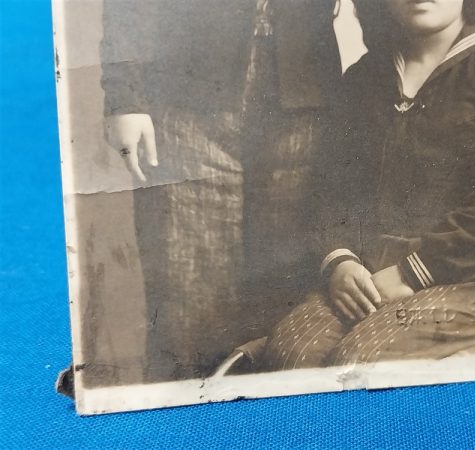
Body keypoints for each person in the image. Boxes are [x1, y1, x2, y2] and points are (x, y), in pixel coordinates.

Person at [263, 0, 475, 370]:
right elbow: (330, 189)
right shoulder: (365, 76)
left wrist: (412, 272)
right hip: (373, 272)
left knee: (361, 361)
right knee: (289, 354)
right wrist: (339, 261)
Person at [100, 0, 341, 381]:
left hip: (303, 94)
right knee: (189, 305)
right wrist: (124, 95)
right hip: (188, 100)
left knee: (286, 301)